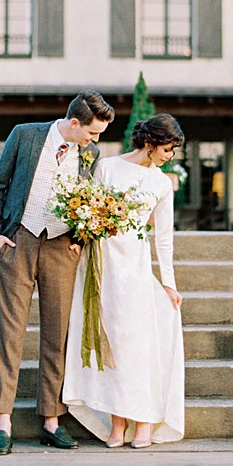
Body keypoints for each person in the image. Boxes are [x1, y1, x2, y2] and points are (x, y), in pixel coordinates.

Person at [0, 90, 115, 455]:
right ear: (74, 123)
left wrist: (80, 239)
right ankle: (3, 423)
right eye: (93, 132)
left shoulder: (89, 153)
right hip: (19, 240)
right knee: (9, 332)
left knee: (58, 333)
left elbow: (88, 200)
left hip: (60, 248)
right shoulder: (25, 135)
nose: (96, 139)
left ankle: (51, 421)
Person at [62, 113, 185, 448]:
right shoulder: (108, 167)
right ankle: (117, 423)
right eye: (168, 149)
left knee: (138, 346)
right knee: (112, 344)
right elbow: (89, 209)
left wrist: (169, 282)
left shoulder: (161, 183)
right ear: (150, 142)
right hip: (102, 264)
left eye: (173, 152)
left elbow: (164, 238)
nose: (169, 156)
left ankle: (144, 421)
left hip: (135, 267)